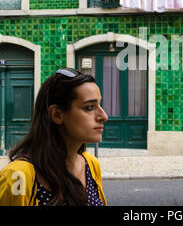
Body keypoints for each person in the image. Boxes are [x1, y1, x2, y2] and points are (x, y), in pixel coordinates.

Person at [0, 68, 108, 206]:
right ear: (57, 114)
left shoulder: (91, 164)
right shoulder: (18, 176)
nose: (104, 116)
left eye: (100, 104)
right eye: (89, 107)